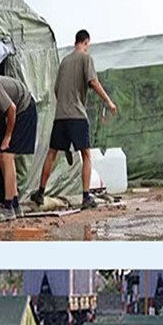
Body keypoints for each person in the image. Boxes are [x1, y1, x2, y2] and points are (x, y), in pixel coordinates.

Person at [30, 29, 116, 210]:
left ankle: (40, 192)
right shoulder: (86, 59)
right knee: (86, 155)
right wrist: (108, 101)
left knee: (51, 154)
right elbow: (93, 81)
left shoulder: (64, 61)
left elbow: (56, 89)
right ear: (85, 42)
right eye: (88, 45)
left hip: (60, 117)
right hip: (77, 116)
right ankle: (86, 197)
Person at [0, 75, 38, 220]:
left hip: (24, 109)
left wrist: (7, 137)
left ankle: (8, 207)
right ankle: (15, 204)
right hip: (16, 112)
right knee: (1, 158)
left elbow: (11, 108)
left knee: (6, 156)